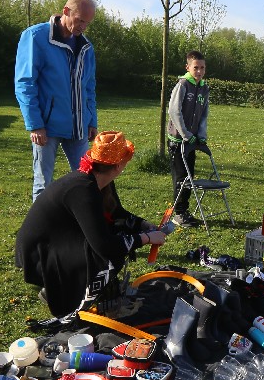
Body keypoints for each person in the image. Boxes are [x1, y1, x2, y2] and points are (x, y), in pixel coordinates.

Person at [15, 131, 166, 328]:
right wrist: (146, 238)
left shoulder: (98, 181)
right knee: (110, 254)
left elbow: (117, 213)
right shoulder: (83, 189)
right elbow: (104, 246)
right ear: (118, 166)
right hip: (39, 254)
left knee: (118, 235)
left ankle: (67, 287)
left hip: (57, 241)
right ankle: (65, 290)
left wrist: (145, 226)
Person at [15, 0, 98, 202]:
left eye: (87, 23)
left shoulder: (86, 47)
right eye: (80, 20)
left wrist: (91, 120)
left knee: (87, 181)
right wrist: (35, 124)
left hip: (79, 127)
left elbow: (89, 86)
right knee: (44, 184)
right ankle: (40, 224)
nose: (83, 27)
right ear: (66, 11)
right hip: (47, 127)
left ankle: (80, 221)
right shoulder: (35, 37)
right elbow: (25, 83)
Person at [167, 50, 209, 227]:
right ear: (188, 67)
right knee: (181, 178)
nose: (199, 71)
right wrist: (185, 134)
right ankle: (178, 214)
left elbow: (204, 113)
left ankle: (184, 211)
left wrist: (201, 135)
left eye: (202, 68)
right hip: (178, 140)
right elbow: (174, 111)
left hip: (192, 142)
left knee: (189, 177)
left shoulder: (204, 88)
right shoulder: (183, 85)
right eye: (196, 68)